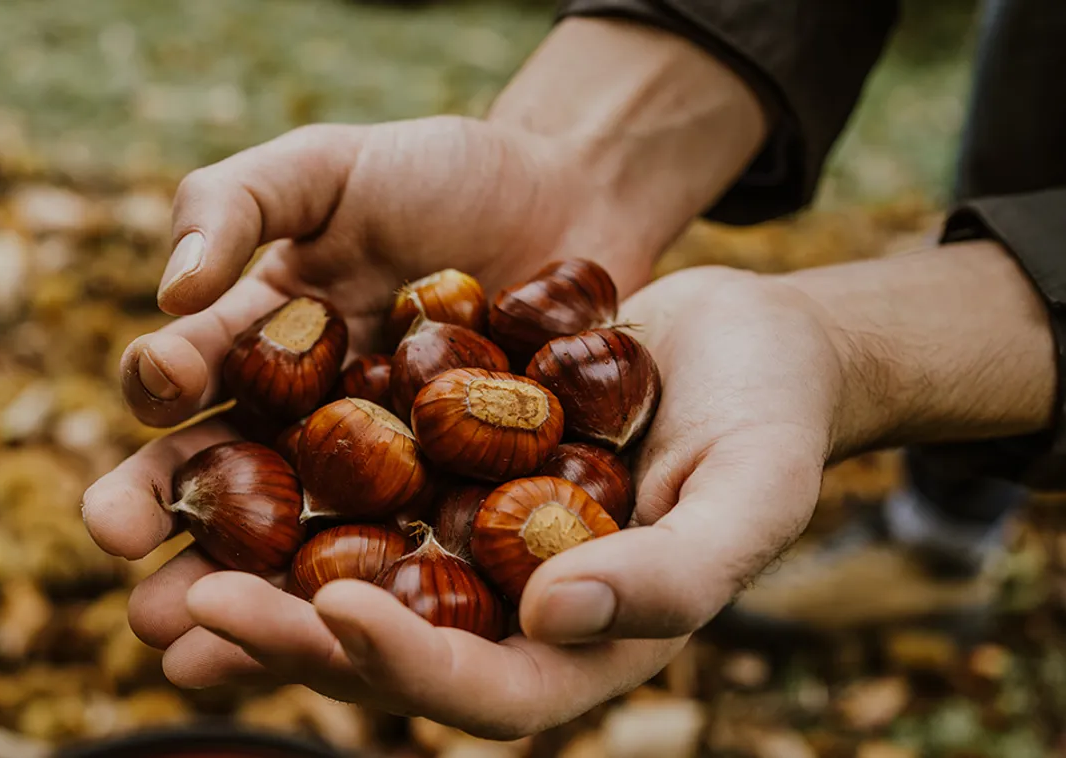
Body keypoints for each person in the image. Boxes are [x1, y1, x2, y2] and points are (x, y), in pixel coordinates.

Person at [80, 0, 1066, 739]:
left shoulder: (485, 426)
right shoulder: (469, 414)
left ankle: (940, 540)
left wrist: (836, 345)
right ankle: (941, 525)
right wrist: (574, 154)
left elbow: (441, 416)